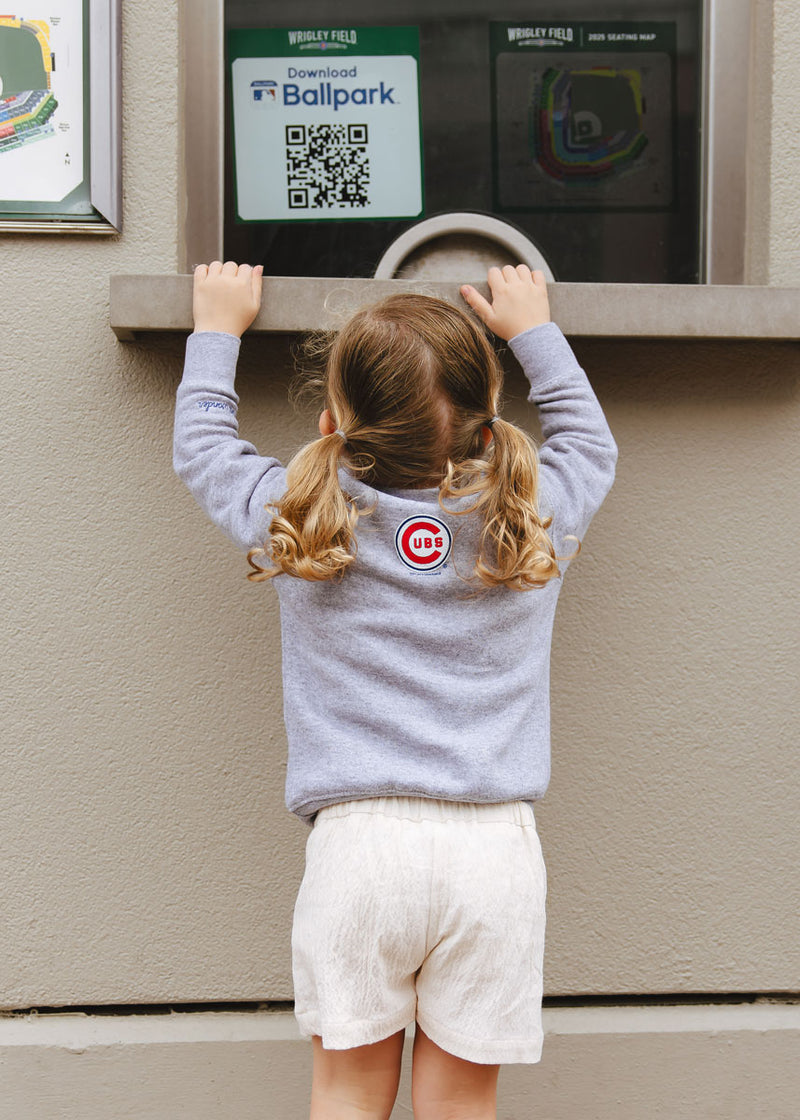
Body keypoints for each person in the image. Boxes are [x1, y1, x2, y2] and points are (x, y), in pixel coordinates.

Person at [174, 260, 617, 1120]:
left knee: (346, 1094)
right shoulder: (531, 517)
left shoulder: (299, 517)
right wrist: (535, 332)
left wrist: (216, 330)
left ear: (334, 423)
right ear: (490, 434)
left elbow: (202, 447)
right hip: (495, 853)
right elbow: (589, 444)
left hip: (359, 851)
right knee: (460, 1107)